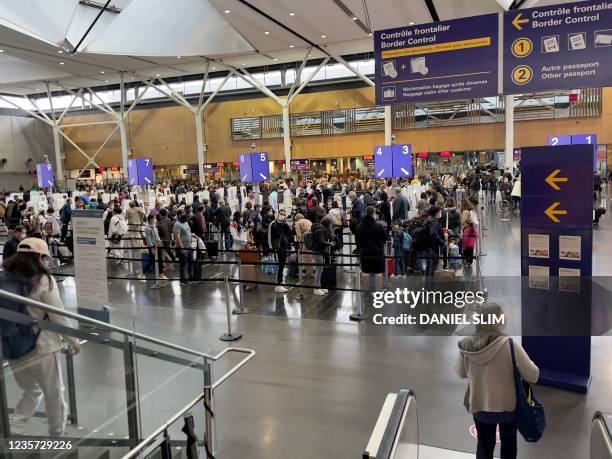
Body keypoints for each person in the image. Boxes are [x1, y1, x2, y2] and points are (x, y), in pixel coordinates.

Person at [2, 238, 80, 436]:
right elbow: (58, 315)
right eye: (44, 257)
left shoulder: (4, 277)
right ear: (39, 256)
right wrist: (73, 340)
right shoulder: (43, 280)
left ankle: (15, 425)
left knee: (32, 389)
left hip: (13, 346)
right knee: (54, 394)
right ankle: (57, 435)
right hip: (42, 346)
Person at [455, 303, 539, 459]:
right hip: (507, 409)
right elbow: (533, 375)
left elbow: (460, 373)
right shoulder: (510, 345)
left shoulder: (466, 344)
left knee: (484, 445)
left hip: (480, 407)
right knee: (508, 444)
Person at [356, 206, 387, 291]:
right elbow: (385, 239)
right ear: (374, 213)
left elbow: (357, 241)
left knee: (365, 272)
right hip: (378, 253)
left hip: (365, 253)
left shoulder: (359, 226)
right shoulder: (379, 226)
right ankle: (378, 290)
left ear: (366, 213)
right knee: (378, 273)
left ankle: (365, 291)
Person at [268, 209, 292, 293]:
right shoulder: (273, 224)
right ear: (278, 214)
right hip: (277, 247)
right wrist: (271, 248)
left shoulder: (285, 224)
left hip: (284, 247)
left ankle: (280, 280)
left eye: (284, 214)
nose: (282, 215)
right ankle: (278, 284)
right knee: (279, 265)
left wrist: (285, 224)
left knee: (282, 264)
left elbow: (289, 233)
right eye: (281, 214)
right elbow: (269, 236)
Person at [424, 206, 446, 276]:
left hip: (428, 246)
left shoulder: (428, 220)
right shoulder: (434, 223)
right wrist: (442, 242)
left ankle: (427, 284)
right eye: (440, 212)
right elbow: (433, 234)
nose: (441, 213)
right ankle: (431, 285)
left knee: (428, 266)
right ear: (436, 213)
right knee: (433, 267)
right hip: (434, 248)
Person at [173, 210, 193, 285]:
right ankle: (182, 280)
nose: (184, 215)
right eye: (183, 214)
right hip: (183, 247)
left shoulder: (186, 222)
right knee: (183, 264)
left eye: (185, 213)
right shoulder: (177, 225)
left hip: (189, 246)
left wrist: (193, 236)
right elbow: (177, 238)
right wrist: (182, 248)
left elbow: (188, 232)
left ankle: (191, 277)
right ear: (178, 215)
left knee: (191, 262)